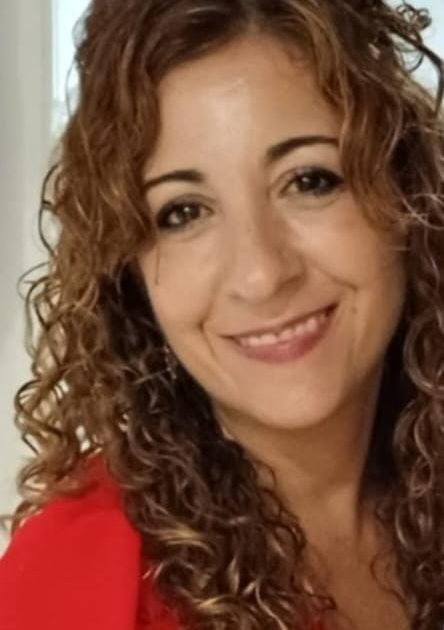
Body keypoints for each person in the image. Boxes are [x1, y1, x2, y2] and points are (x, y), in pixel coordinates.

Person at [1, 0, 443, 628]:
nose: (261, 274)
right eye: (184, 212)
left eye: (309, 180)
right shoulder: (75, 580)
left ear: (405, 191)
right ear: (128, 273)